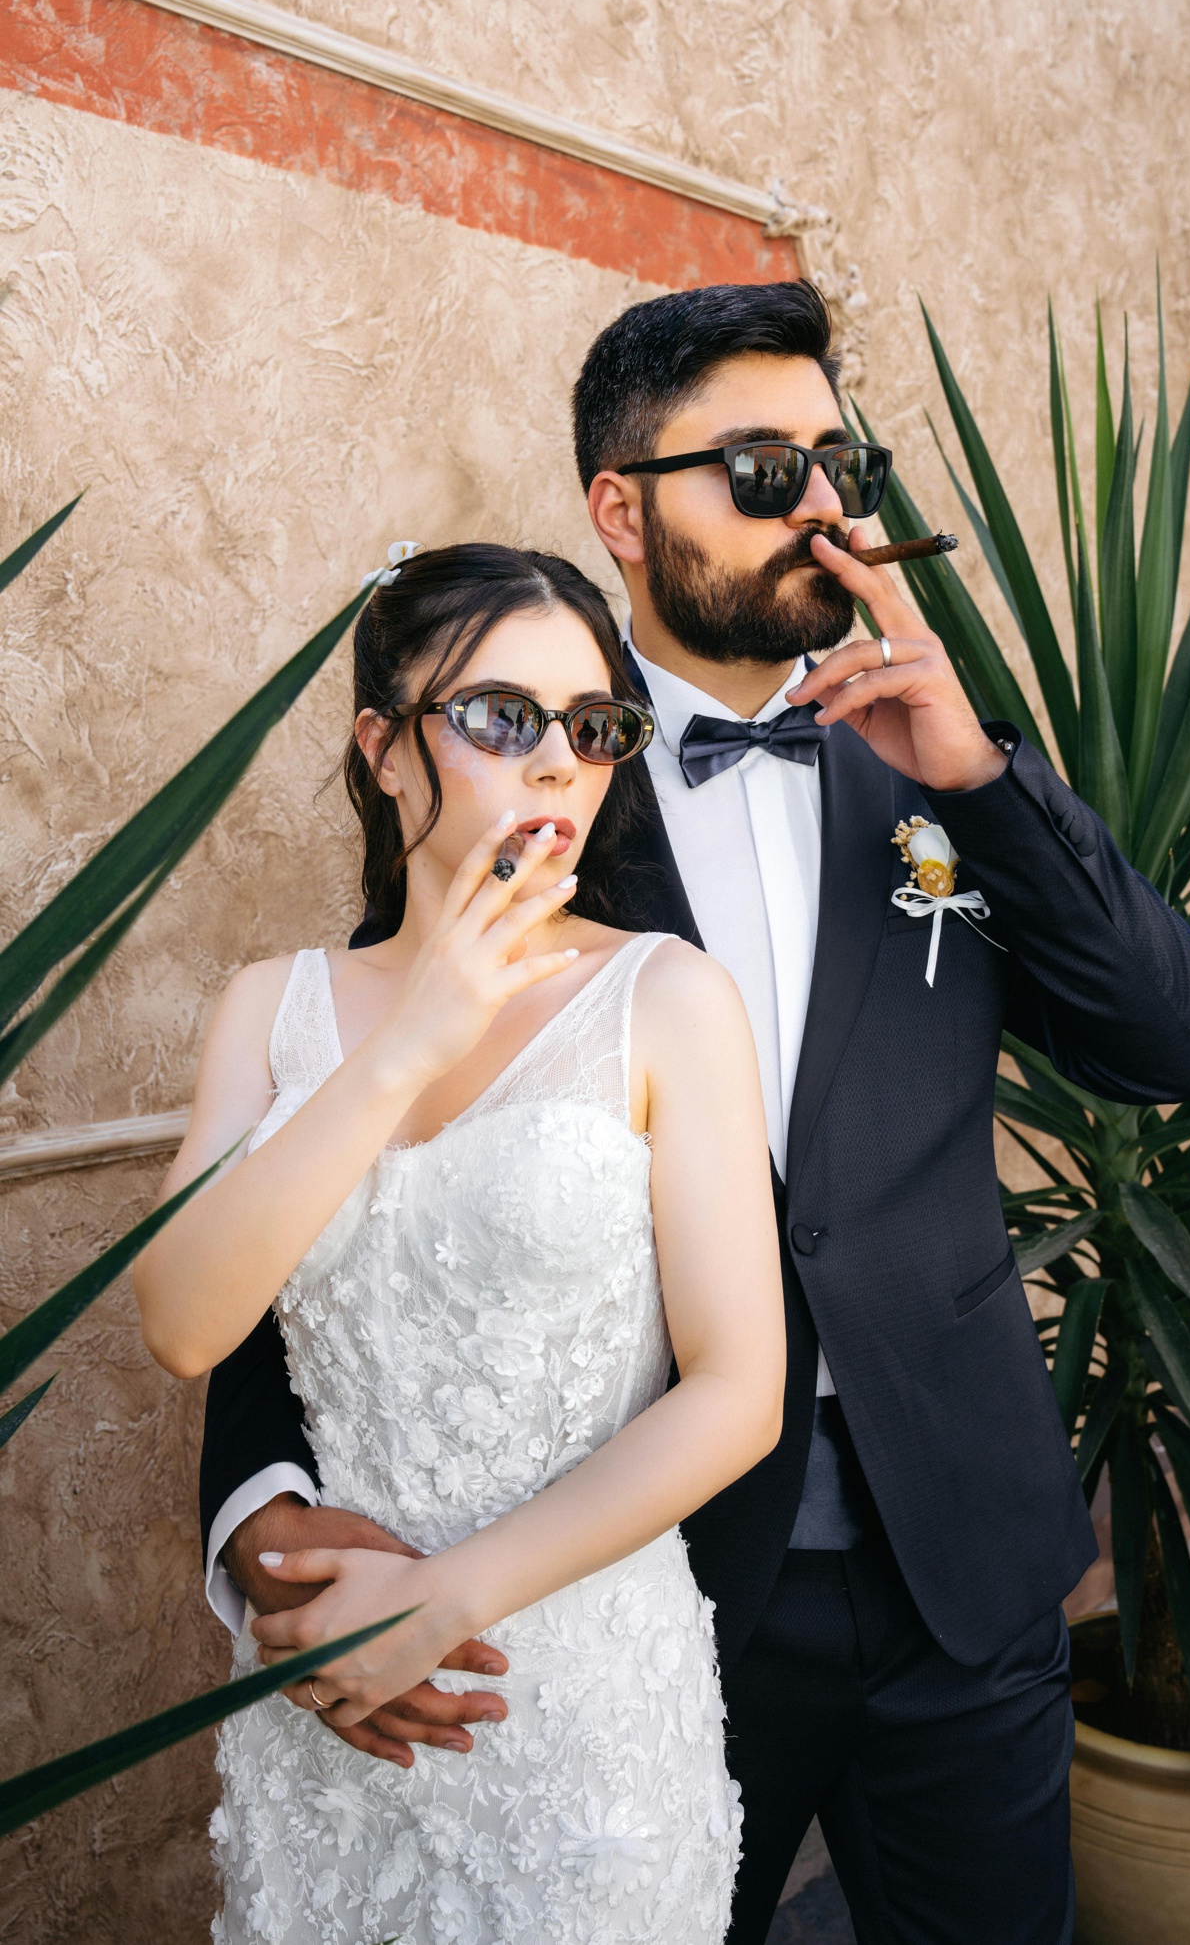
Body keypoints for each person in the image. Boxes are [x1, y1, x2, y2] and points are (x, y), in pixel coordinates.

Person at [200, 281, 1190, 1945]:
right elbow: (349, 1178)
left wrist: (983, 781)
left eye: (842, 465)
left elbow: (1172, 1042)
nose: (823, 507)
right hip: (645, 1595)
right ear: (622, 509)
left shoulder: (931, 774)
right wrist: (255, 1500)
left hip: (960, 1565)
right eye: (763, 470)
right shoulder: (528, 778)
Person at [135, 544, 785, 1944]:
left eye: (592, 726)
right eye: (500, 716)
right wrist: (407, 1043)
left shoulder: (668, 999)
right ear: (383, 749)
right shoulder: (269, 1009)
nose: (555, 762)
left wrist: (442, 1601)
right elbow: (185, 1324)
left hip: (574, 1715)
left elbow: (740, 1390)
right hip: (326, 1713)